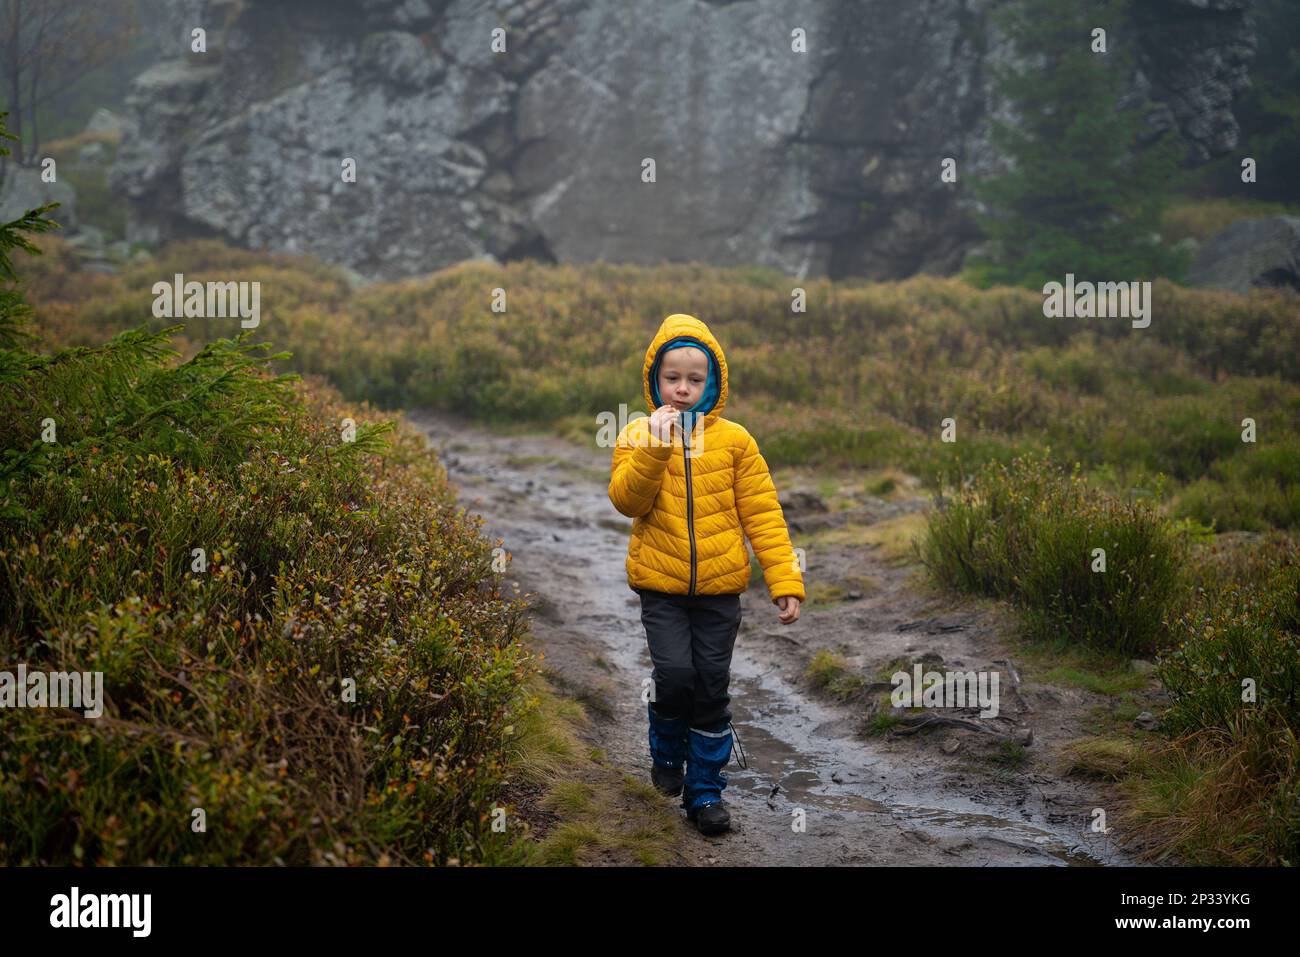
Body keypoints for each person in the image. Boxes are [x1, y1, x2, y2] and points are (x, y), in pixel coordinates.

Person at [607, 312, 804, 835]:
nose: (683, 389)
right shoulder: (635, 433)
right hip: (660, 587)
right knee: (674, 677)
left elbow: (763, 513)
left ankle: (706, 795)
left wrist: (784, 580)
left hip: (720, 592)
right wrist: (654, 445)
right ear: (655, 380)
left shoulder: (736, 441)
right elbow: (628, 501)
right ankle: (667, 758)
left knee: (711, 687)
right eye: (673, 378)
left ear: (713, 382)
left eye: (696, 380)